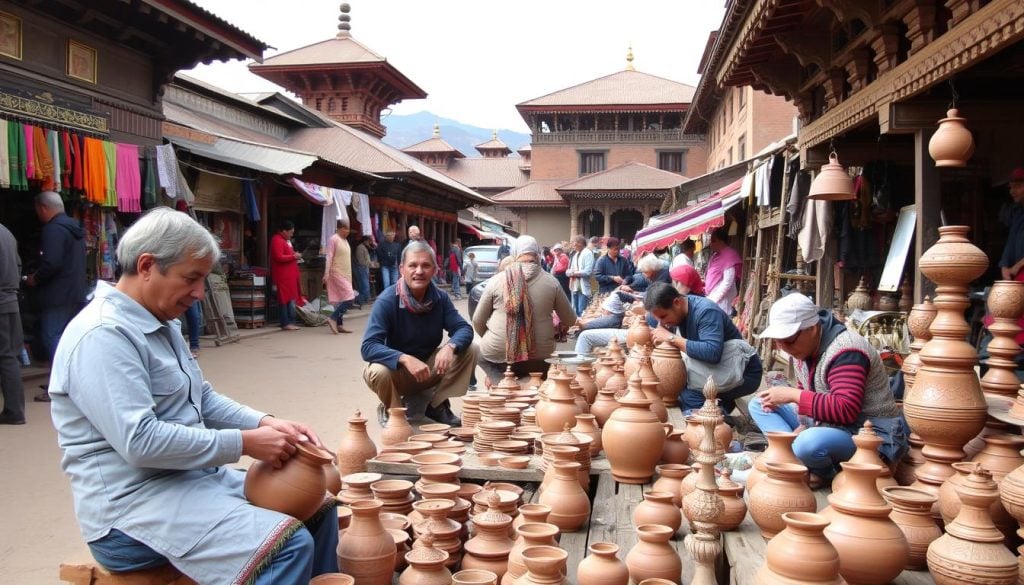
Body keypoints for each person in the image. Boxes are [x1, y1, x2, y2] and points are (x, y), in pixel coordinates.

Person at [49, 208, 338, 584]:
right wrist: (246, 443)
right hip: (131, 511)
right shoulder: (102, 335)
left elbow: (200, 397)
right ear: (148, 265)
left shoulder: (161, 321)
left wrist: (266, 423)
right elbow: (141, 442)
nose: (200, 293)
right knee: (288, 546)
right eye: (192, 278)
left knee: (319, 507)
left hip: (192, 483)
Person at [752, 293, 907, 488]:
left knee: (808, 443)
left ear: (813, 329)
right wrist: (803, 424)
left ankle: (824, 472)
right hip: (828, 426)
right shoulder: (804, 349)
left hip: (869, 434)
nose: (783, 347)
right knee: (759, 403)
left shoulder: (847, 350)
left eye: (789, 339)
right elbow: (807, 393)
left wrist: (793, 396)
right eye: (778, 341)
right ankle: (791, 456)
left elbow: (845, 409)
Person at [361, 241, 478, 427]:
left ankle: (437, 405)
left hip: (427, 369)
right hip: (398, 373)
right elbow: (368, 347)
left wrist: (450, 346)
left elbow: (464, 329)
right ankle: (394, 410)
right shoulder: (387, 300)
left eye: (425, 265)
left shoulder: (440, 298)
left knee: (470, 349)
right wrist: (404, 358)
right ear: (402, 269)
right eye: (412, 265)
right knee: (377, 371)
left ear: (435, 270)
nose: (419, 271)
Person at [645, 282, 763, 414]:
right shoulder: (673, 313)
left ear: (677, 302)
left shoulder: (705, 311)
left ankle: (718, 419)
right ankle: (722, 404)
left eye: (663, 317)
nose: (662, 323)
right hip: (717, 369)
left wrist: (671, 338)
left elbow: (711, 353)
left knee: (686, 393)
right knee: (672, 382)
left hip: (743, 371)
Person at [473, 235, 576, 384]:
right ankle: (531, 388)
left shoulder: (496, 280)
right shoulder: (551, 282)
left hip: (499, 355)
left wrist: (497, 338)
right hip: (540, 358)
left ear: (514, 254)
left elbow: (477, 320)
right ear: (537, 254)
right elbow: (570, 320)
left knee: (480, 354)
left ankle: (501, 386)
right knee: (543, 371)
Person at [26, 190, 86, 403]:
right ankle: (61, 381)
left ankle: (62, 387)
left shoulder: (53, 230)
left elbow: (51, 263)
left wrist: (35, 278)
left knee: (53, 338)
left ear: (43, 208)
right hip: (75, 292)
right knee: (66, 339)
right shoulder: (74, 227)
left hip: (57, 295)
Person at [0, 222, 25, 425]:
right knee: (10, 356)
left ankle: (14, 411)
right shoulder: (6, 232)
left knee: (7, 357)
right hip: (10, 300)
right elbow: (18, 264)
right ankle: (14, 409)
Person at [323, 220, 357, 334]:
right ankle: (332, 318)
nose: (347, 231)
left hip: (346, 273)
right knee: (349, 297)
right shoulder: (334, 239)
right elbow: (329, 256)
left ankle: (339, 324)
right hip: (336, 272)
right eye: (345, 228)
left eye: (348, 229)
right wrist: (326, 273)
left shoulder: (345, 240)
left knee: (341, 299)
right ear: (339, 228)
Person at [270, 220, 303, 331]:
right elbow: (278, 257)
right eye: (290, 232)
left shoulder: (285, 241)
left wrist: (294, 256)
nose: (292, 234)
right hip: (282, 276)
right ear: (284, 231)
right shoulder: (277, 240)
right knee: (284, 300)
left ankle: (291, 321)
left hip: (289, 275)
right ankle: (285, 322)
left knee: (290, 299)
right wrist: (294, 256)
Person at [705, 228, 742, 315]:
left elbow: (727, 282)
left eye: (714, 241)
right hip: (712, 298)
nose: (711, 244)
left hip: (722, 302)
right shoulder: (715, 256)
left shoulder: (729, 255)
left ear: (721, 241)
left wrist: (714, 299)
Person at [999, 168, 1024, 281]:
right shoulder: (1018, 212)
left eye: (1017, 186)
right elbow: (1011, 240)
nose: (1012, 191)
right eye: (1011, 187)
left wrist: (1016, 267)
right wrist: (1004, 266)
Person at [566, 235, 595, 316]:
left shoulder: (588, 253)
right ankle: (577, 327)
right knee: (575, 311)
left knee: (582, 311)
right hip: (575, 287)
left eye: (574, 244)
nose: (573, 246)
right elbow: (570, 269)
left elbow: (588, 271)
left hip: (583, 287)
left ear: (581, 243)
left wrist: (574, 273)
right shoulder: (575, 255)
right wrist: (569, 273)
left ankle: (582, 327)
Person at [354, 235, 373, 306]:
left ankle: (364, 299)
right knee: (365, 284)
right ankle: (366, 299)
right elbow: (361, 261)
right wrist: (370, 264)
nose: (369, 243)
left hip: (364, 268)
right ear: (365, 241)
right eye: (368, 241)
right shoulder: (360, 248)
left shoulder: (363, 247)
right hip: (362, 268)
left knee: (364, 284)